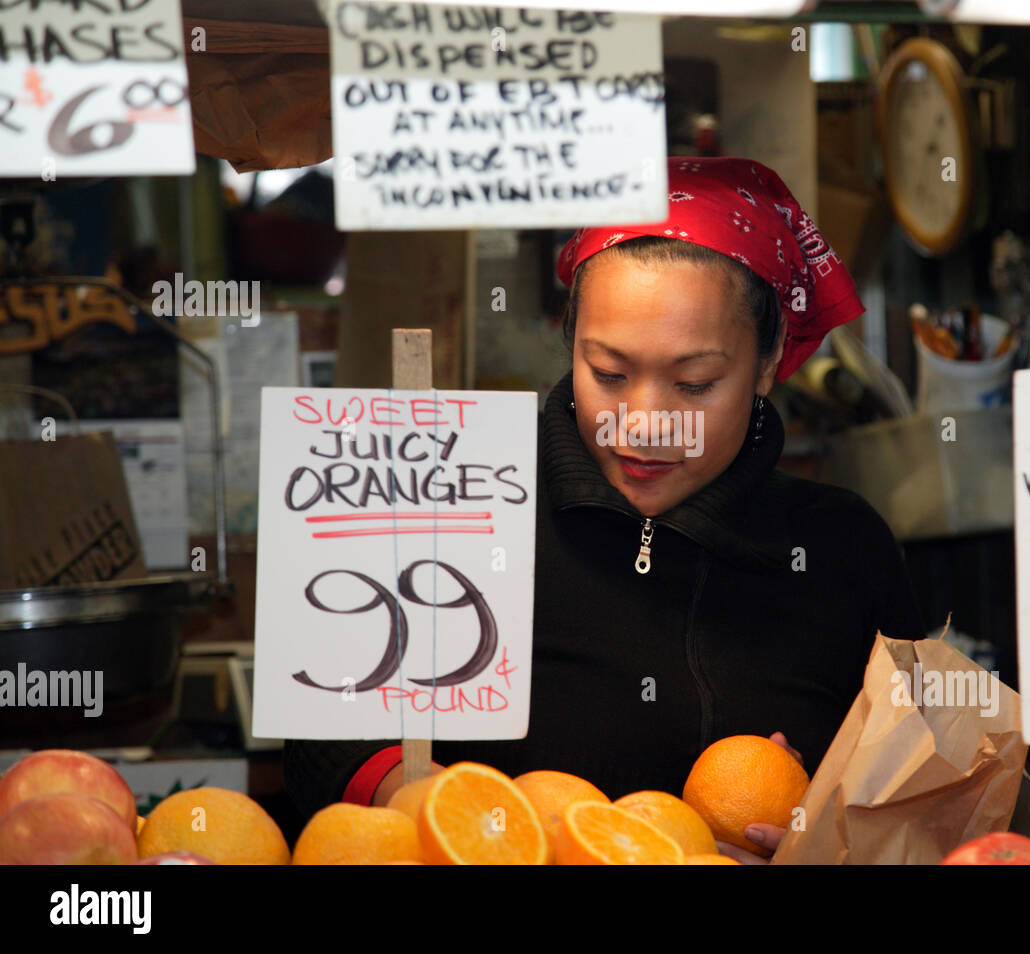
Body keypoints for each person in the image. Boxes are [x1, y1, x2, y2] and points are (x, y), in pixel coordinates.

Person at [283, 156, 926, 863]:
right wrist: (431, 804)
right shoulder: (449, 493)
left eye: (694, 383)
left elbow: (926, 795)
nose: (643, 424)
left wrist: (836, 824)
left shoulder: (842, 547)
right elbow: (322, 740)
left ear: (769, 357)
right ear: (570, 340)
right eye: (609, 374)